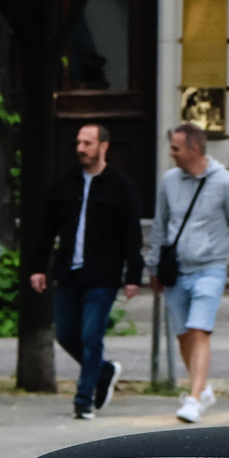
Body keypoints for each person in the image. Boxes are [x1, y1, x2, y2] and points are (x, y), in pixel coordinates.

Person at [29, 123, 145, 419]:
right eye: (79, 143)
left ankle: (83, 400)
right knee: (67, 334)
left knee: (91, 335)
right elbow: (46, 230)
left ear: (103, 146)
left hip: (103, 275)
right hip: (68, 272)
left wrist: (133, 275)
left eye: (88, 143)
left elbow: (132, 234)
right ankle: (104, 371)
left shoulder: (120, 187)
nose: (81, 149)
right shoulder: (64, 185)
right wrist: (38, 267)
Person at [150, 123, 229, 423]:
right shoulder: (169, 181)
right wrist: (153, 265)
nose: (171, 154)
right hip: (177, 271)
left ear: (194, 149)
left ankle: (195, 396)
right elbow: (160, 226)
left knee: (199, 330)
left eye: (176, 148)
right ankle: (204, 387)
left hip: (210, 268)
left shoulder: (226, 183)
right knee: (183, 334)